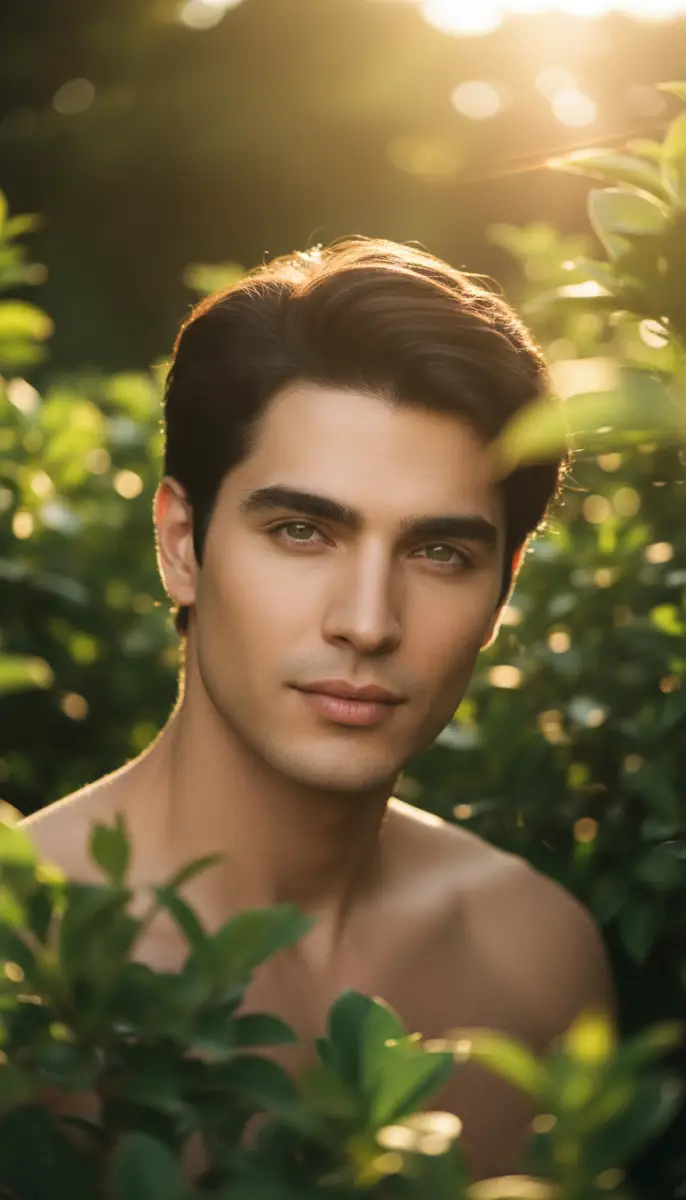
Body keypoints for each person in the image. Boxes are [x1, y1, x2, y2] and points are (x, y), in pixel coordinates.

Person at [23, 237, 616, 1183]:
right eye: (302, 531)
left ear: (501, 593)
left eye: (440, 554)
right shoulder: (20, 964)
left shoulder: (535, 953)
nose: (368, 623)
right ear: (182, 543)